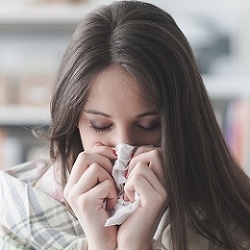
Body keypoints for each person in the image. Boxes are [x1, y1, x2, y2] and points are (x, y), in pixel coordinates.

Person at [0, 1, 250, 249]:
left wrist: (135, 244)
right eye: (99, 125)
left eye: (148, 125)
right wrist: (99, 243)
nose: (124, 147)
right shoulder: (15, 208)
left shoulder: (229, 220)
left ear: (182, 121)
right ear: (73, 119)